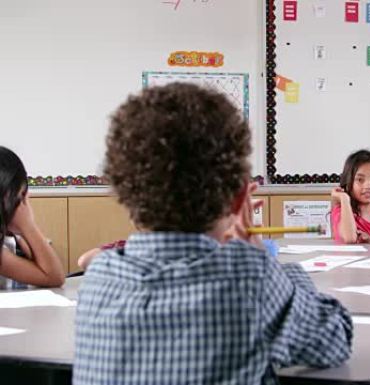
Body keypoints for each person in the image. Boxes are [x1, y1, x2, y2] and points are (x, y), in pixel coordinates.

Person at [73, 83, 353, 385]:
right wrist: (264, 260)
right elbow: (336, 338)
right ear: (238, 198)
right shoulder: (250, 276)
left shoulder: (99, 278)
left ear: (127, 198)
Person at [0, 146, 65, 288]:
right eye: (22, 195)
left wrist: (22, 231)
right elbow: (54, 277)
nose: (24, 203)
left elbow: (42, 264)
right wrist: (28, 225)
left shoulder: (9, 235)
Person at [330, 149, 370, 243]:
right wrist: (344, 199)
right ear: (349, 183)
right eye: (360, 180)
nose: (368, 186)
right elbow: (350, 238)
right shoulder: (341, 210)